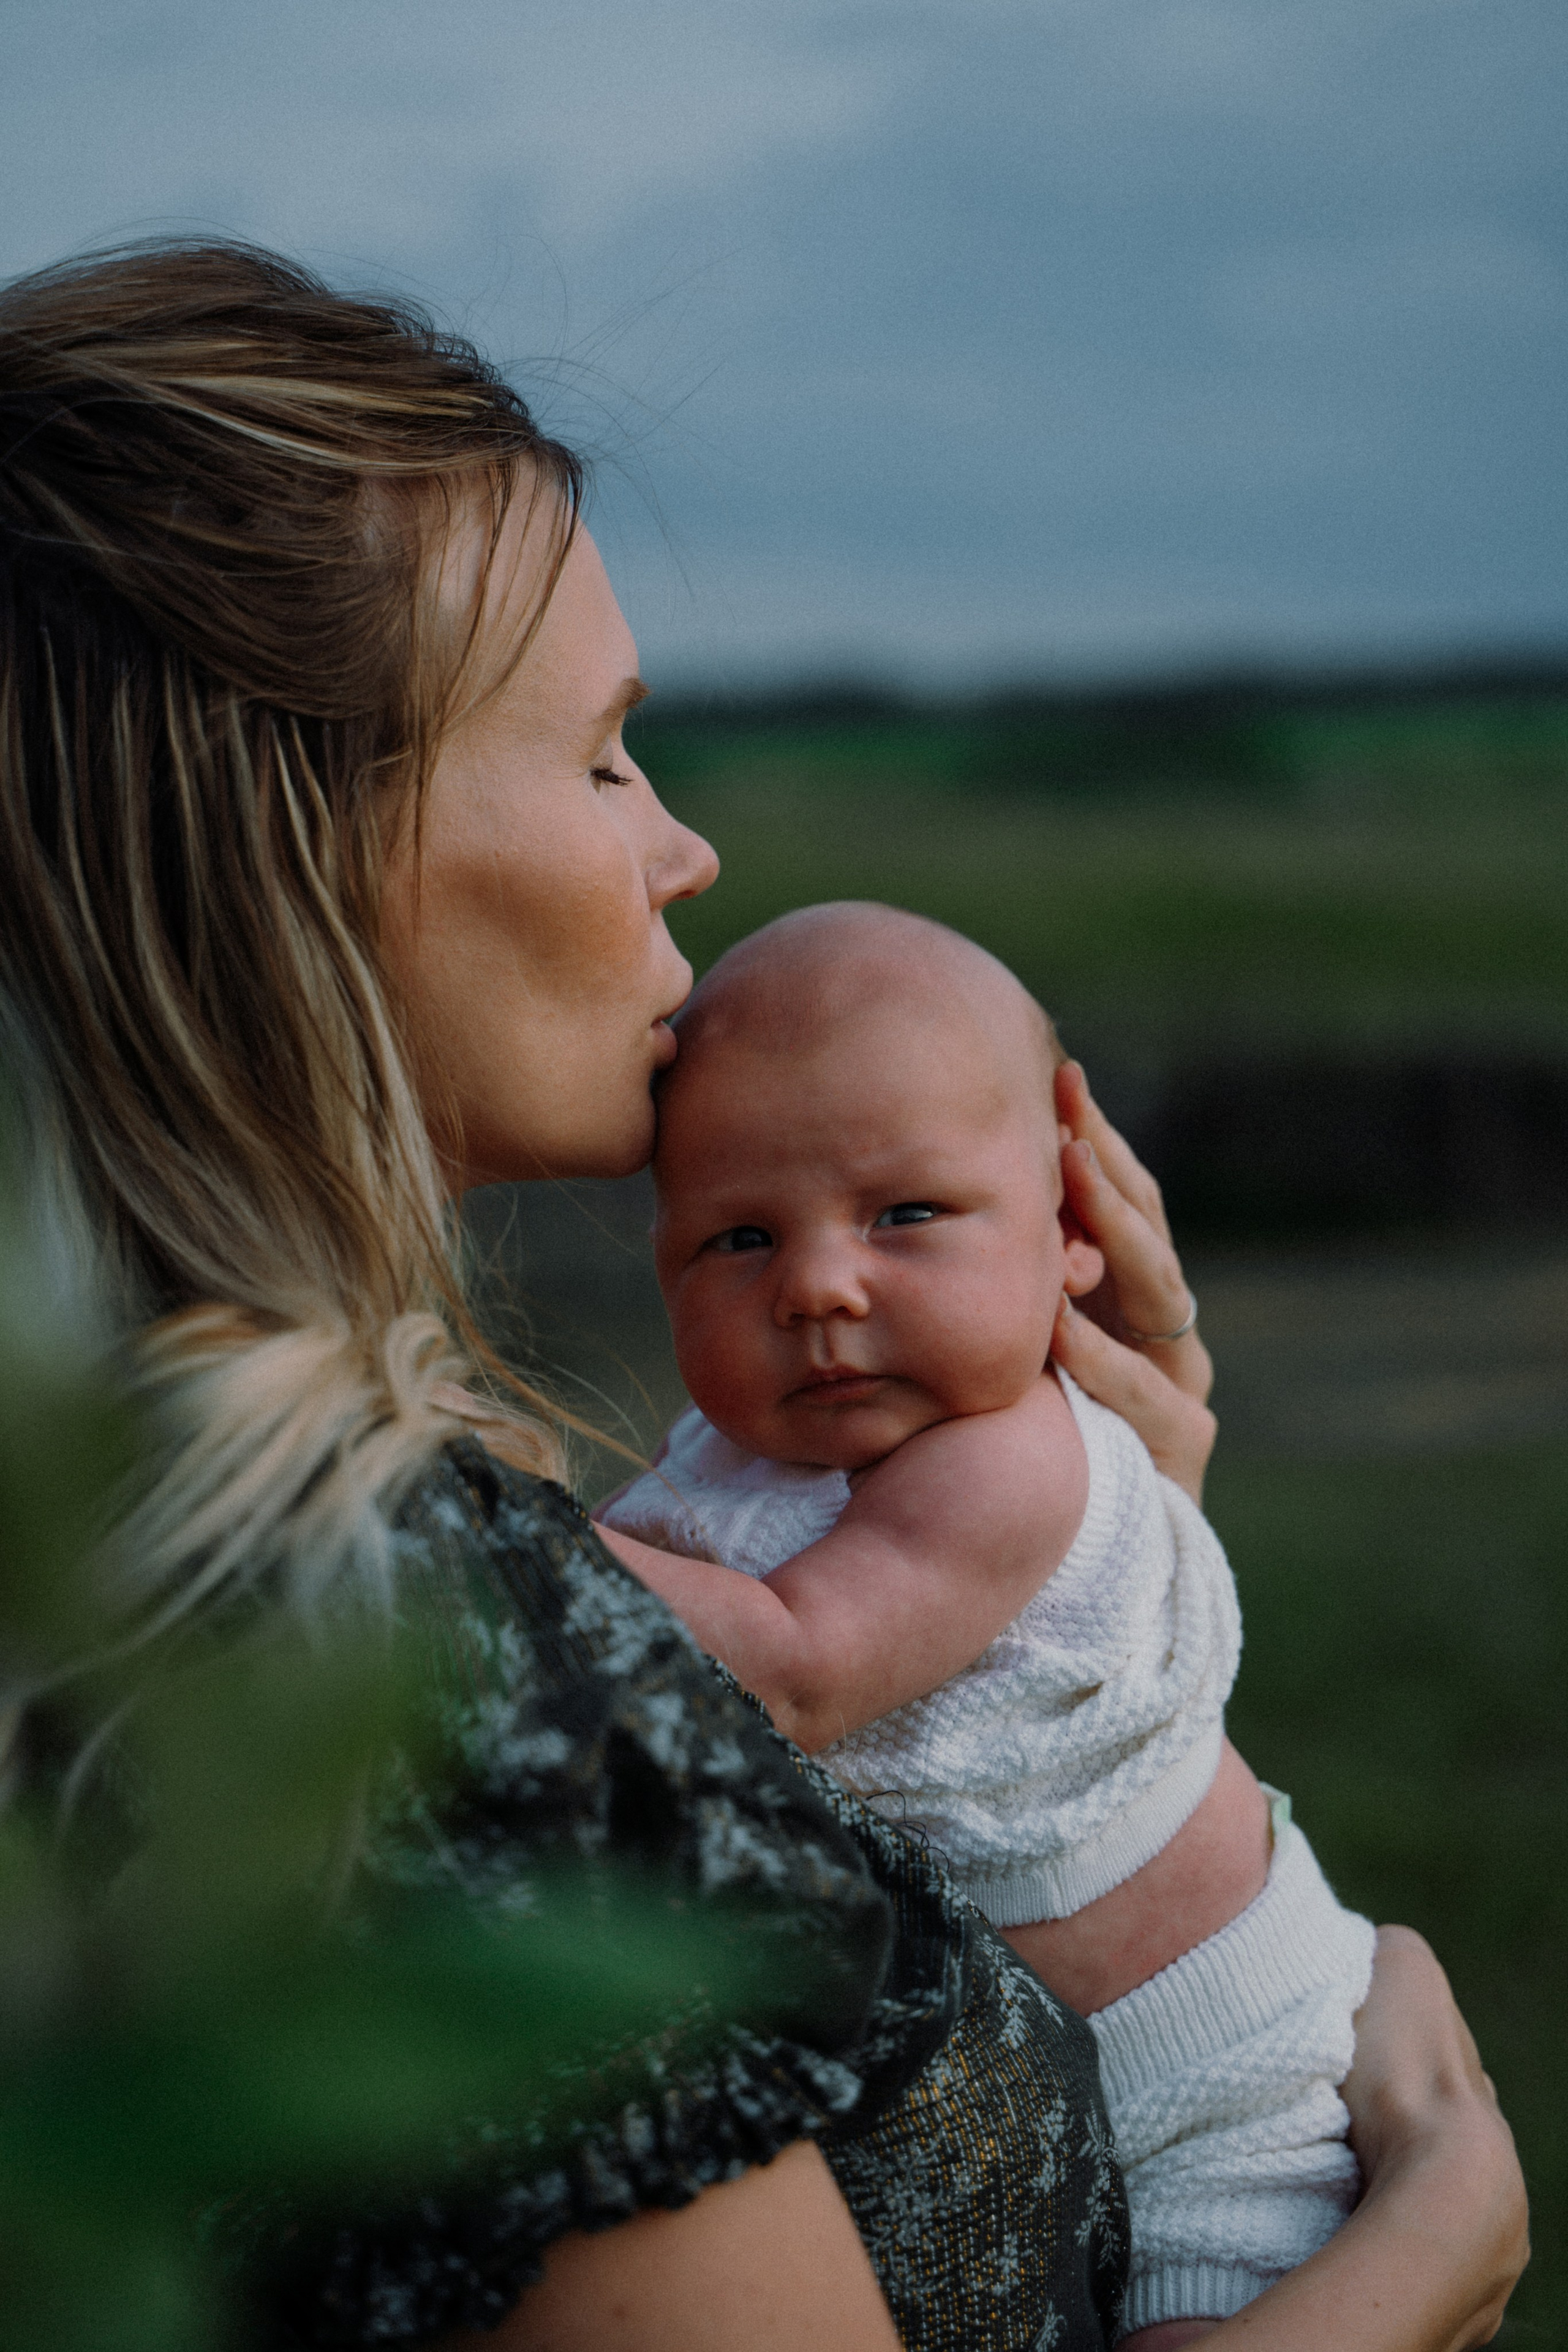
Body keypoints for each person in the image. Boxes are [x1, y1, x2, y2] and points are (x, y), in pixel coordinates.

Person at [0, 239, 1525, 2352]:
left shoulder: (141, 1548)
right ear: (294, 844)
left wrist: (1096, 1563)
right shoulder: (424, 1665)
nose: (683, 851)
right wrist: (1425, 2249)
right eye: (607, 753)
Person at [597, 900, 1375, 2339]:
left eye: (905, 1215)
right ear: (663, 1270)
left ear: (1069, 1232)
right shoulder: (735, 1465)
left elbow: (795, 1666)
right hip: (991, 2094)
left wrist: (494, 1524)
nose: (818, 1284)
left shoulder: (1010, 1456)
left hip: (1210, 2089)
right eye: (738, 1238)